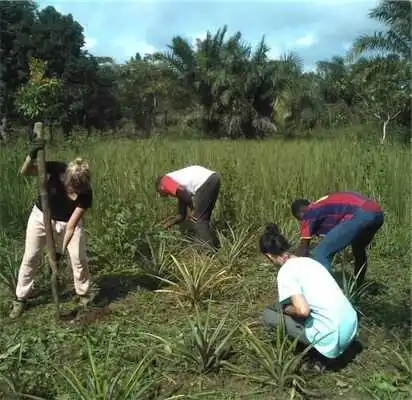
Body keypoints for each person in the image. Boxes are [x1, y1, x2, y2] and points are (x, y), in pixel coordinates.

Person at [9, 140, 95, 319]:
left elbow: (71, 226)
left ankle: (83, 295)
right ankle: (21, 298)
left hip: (67, 223)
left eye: (79, 190)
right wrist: (30, 155)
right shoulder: (57, 170)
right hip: (41, 217)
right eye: (72, 188)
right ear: (67, 179)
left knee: (78, 258)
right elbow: (26, 172)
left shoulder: (86, 193)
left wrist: (59, 252)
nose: (75, 193)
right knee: (31, 256)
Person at [260, 224, 359, 366]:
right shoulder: (310, 261)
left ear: (269, 256)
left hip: (333, 337)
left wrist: (286, 309)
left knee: (269, 314)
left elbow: (303, 311)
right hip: (351, 327)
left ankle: (316, 354)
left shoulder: (286, 272)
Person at [291, 192, 384, 285]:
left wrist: (290, 264)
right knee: (358, 249)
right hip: (377, 213)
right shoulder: (324, 205)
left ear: (300, 213)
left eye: (300, 220)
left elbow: (303, 248)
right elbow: (337, 235)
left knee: (320, 252)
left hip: (362, 214)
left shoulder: (310, 211)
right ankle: (358, 287)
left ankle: (328, 293)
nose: (301, 222)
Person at [155, 165, 220, 248]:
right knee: (203, 219)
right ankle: (210, 246)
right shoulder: (178, 186)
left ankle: (206, 252)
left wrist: (192, 209)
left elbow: (185, 195)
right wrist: (166, 225)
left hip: (205, 182)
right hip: (213, 178)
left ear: (160, 187)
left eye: (159, 192)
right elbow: (181, 215)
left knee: (198, 220)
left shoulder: (165, 181)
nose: (161, 195)